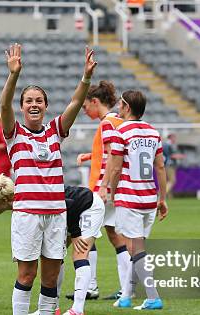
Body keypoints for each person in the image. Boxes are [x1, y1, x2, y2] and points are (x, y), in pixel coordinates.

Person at [0, 43, 96, 315]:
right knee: (26, 274)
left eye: (39, 100)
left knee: (52, 277)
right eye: (28, 101)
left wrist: (84, 78)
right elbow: (4, 105)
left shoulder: (55, 131)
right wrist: (14, 76)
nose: (34, 105)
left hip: (56, 214)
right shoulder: (15, 134)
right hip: (27, 213)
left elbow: (74, 103)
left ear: (45, 105)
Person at [0, 176, 105, 315]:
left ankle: (77, 311)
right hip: (68, 214)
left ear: (4, 199)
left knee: (80, 254)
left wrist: (75, 234)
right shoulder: (21, 204)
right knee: (53, 255)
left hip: (88, 206)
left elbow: (69, 204)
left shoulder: (29, 200)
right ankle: (52, 307)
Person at [104, 90, 168, 311]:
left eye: (121, 105)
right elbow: (160, 167)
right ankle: (126, 296)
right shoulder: (153, 132)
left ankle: (152, 296)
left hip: (129, 196)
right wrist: (163, 198)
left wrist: (109, 189)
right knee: (137, 246)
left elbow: (115, 165)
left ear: (127, 107)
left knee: (135, 248)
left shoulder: (120, 131)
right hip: (149, 197)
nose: (119, 108)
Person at [76, 80, 130, 301]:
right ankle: (127, 287)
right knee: (115, 237)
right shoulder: (120, 121)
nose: (85, 110)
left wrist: (104, 187)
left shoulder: (107, 123)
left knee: (85, 234)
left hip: (102, 188)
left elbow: (109, 155)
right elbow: (116, 151)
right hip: (117, 187)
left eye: (85, 106)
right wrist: (90, 156)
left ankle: (90, 287)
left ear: (95, 102)